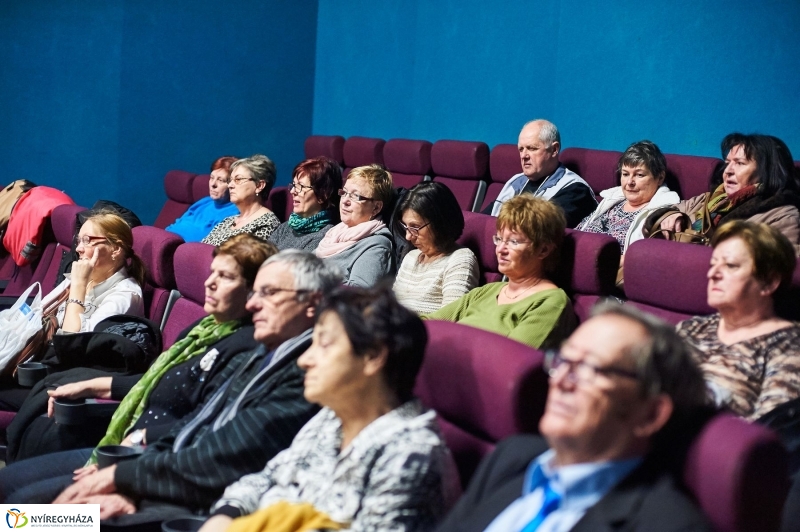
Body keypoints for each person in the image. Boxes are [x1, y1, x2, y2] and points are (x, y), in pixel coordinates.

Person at [47, 251, 340, 528]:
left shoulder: (305, 370)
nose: (253, 304)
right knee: (18, 505)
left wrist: (128, 479)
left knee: (28, 516)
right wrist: (132, 473)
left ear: (312, 303)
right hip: (160, 472)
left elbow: (228, 453)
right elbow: (195, 421)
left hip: (190, 505)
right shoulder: (265, 353)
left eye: (269, 293)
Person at [0, 235, 276, 495]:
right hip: (130, 444)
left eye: (225, 277)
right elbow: (159, 380)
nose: (209, 283)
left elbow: (204, 423)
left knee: (21, 506)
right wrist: (90, 385)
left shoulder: (246, 347)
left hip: (154, 464)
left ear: (255, 291)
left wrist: (131, 452)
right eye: (212, 272)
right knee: (8, 483)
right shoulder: (203, 328)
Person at [200, 285, 459, 532]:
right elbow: (268, 477)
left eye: (323, 344)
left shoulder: (411, 454)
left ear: (372, 357)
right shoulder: (332, 417)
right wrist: (226, 514)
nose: (304, 359)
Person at [436, 303, 712, 532]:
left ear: (650, 414)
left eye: (590, 369)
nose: (561, 382)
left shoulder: (666, 526)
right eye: (563, 361)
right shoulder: (512, 457)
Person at [677, 221, 800, 420]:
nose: (712, 274)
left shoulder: (790, 346)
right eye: (712, 264)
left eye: (730, 265)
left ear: (769, 282)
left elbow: (767, 437)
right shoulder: (692, 327)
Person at [427, 195, 575, 350]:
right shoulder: (487, 291)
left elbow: (510, 360)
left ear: (543, 249)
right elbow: (429, 323)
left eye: (513, 241)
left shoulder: (551, 302)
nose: (500, 249)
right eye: (499, 239)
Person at [656, 133, 800, 251]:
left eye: (740, 163)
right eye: (727, 163)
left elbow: (781, 272)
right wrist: (672, 215)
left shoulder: (782, 216)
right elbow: (657, 217)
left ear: (766, 172)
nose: (728, 171)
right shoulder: (709, 199)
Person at [488, 120, 596, 228]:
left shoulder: (575, 190)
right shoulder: (515, 182)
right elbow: (482, 219)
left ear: (554, 149)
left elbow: (534, 232)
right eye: (521, 149)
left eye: (532, 148)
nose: (524, 156)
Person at [52, 210, 146, 334]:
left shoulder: (125, 296)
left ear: (115, 249)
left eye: (87, 240)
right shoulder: (79, 276)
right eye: (78, 241)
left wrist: (79, 285)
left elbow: (73, 342)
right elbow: (36, 314)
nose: (79, 249)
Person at [578, 140, 679, 254]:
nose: (630, 182)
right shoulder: (611, 200)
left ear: (660, 178)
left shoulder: (662, 214)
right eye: (625, 174)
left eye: (639, 175)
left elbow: (645, 259)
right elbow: (578, 231)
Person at [393, 182, 479, 314]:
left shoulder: (460, 259)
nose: (408, 236)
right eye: (405, 226)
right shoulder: (411, 257)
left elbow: (450, 319)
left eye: (415, 227)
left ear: (440, 223)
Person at [315, 164, 395, 287]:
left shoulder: (377, 246)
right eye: (344, 193)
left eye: (355, 196)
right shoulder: (335, 232)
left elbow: (358, 295)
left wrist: (312, 279)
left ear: (376, 207)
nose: (345, 201)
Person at [202, 155, 281, 246]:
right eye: (230, 180)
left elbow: (246, 259)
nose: (230, 185)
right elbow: (203, 249)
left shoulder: (267, 224)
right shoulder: (228, 221)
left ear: (259, 186)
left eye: (238, 179)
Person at [269, 156, 341, 251]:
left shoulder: (325, 236)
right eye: (294, 185)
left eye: (301, 186)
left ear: (323, 195)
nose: (293, 191)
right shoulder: (286, 227)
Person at [165, 156, 240, 242]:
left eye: (221, 180)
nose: (213, 184)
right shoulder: (205, 202)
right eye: (212, 178)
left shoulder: (235, 214)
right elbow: (177, 224)